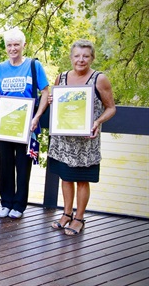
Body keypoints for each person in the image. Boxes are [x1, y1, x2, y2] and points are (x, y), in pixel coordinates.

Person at [48, 39, 116, 235]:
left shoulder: (99, 79)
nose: (81, 60)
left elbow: (111, 108)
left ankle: (79, 218)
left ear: (92, 58)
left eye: (86, 56)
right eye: (77, 56)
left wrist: (97, 122)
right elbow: (60, 105)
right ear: (71, 57)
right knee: (65, 177)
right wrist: (53, 100)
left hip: (86, 141)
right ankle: (66, 214)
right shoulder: (60, 78)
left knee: (82, 180)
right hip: (63, 140)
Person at [0, 28, 49, 219]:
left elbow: (46, 93)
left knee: (23, 166)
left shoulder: (34, 66)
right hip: (5, 124)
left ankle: (19, 205)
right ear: (5, 47)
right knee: (5, 164)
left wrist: (37, 117)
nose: (13, 48)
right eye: (9, 45)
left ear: (23, 46)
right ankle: (6, 203)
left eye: (16, 44)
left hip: (28, 125)